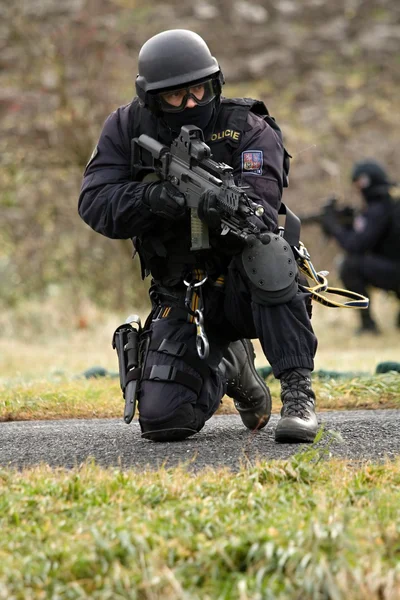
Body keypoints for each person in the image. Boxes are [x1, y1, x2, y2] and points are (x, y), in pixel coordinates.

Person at [78, 29, 318, 443]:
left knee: (271, 252)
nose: (191, 103)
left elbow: (259, 212)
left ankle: (298, 395)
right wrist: (154, 197)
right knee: (162, 421)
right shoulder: (125, 127)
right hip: (183, 294)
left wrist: (217, 211)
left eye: (199, 90)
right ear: (151, 98)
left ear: (215, 83)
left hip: (248, 288)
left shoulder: (249, 128)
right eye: (176, 96)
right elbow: (95, 202)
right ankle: (232, 367)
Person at [321, 160, 400, 334]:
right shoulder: (392, 201)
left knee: (350, 265)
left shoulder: (380, 207)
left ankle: (368, 325)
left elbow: (355, 245)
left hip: (395, 272)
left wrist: (334, 227)